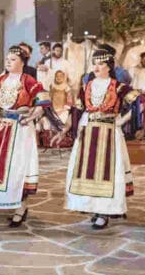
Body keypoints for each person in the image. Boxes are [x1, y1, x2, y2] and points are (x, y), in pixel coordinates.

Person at [56, 47, 139, 229]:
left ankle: (105, 211)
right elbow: (78, 108)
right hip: (88, 131)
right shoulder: (87, 85)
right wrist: (67, 127)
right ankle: (93, 207)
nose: (96, 66)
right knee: (89, 170)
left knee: (107, 172)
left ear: (109, 66)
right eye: (94, 63)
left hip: (108, 132)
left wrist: (121, 121)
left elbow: (139, 104)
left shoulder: (119, 86)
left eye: (101, 63)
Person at [0, 45, 51, 225]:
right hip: (2, 129)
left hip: (20, 130)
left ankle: (21, 207)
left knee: (19, 166)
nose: (8, 62)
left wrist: (32, 116)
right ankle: (11, 201)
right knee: (4, 167)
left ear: (22, 62)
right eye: (7, 59)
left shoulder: (28, 80)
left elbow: (44, 100)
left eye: (13, 59)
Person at [40, 69, 74, 148]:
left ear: (64, 77)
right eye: (57, 76)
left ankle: (62, 140)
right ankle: (49, 140)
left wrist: (63, 110)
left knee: (63, 121)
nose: (58, 78)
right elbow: (50, 98)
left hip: (63, 110)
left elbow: (69, 101)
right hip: (53, 109)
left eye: (60, 76)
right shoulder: (52, 86)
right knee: (46, 121)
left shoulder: (66, 87)